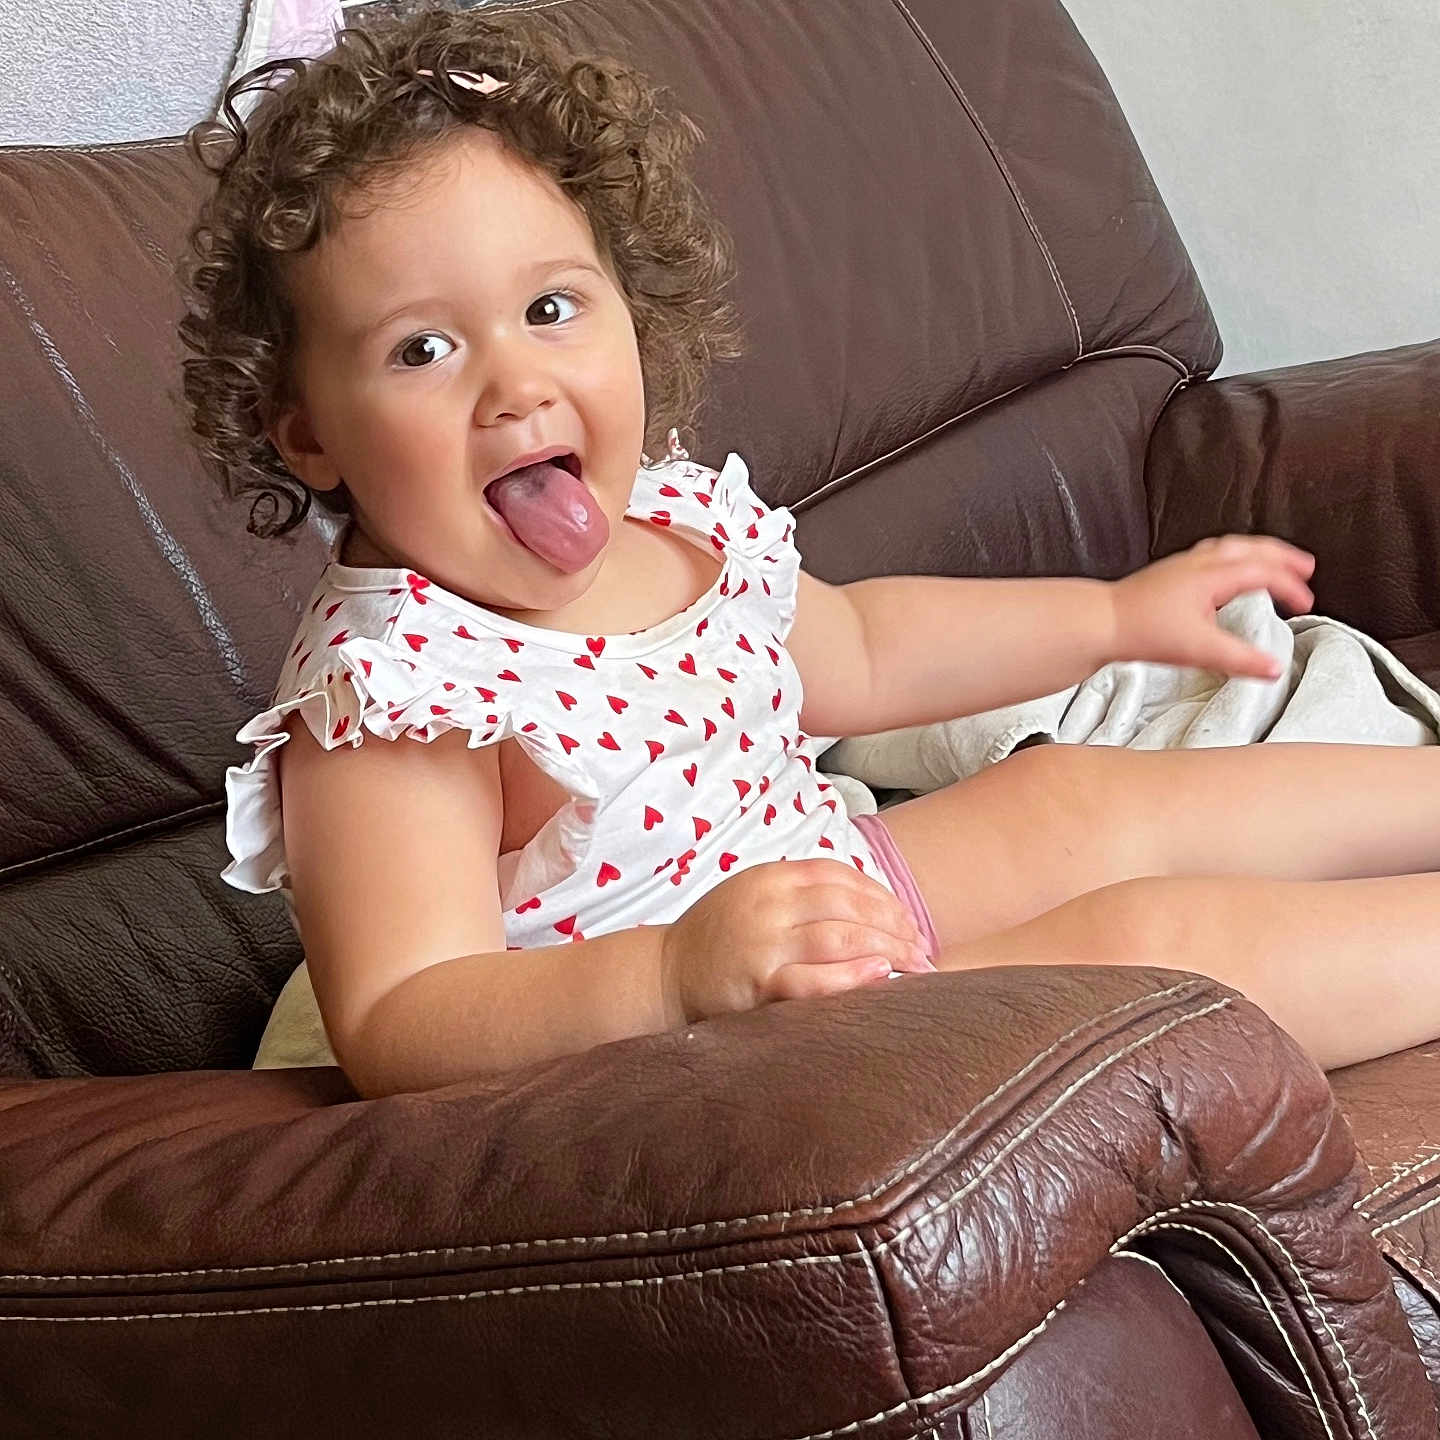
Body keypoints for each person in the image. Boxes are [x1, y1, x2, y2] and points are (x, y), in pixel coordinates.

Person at [180, 9, 1439, 1098]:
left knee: (1071, 796)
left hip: (825, 906)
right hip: (733, 1064)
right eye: (421, 350)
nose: (515, 382)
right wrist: (675, 974)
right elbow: (405, 1017)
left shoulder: (669, 525)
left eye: (551, 309)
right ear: (308, 434)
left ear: (632, 305)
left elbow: (868, 651)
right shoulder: (400, 691)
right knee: (1149, 935)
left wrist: (1114, 620)